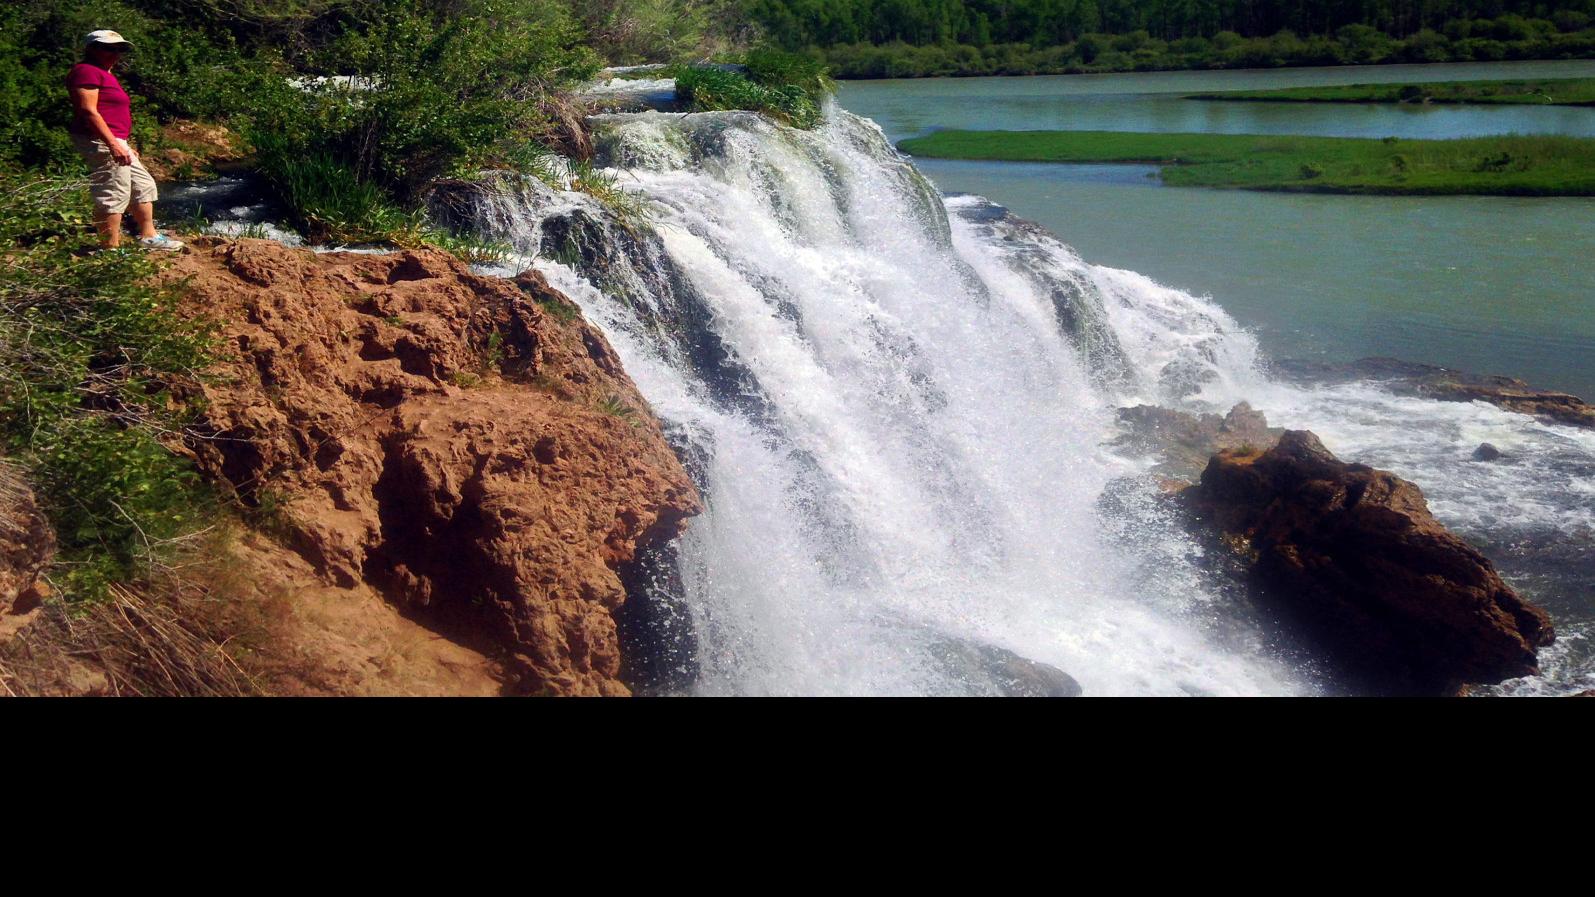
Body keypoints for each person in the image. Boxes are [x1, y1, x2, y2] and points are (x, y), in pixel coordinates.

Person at [67, 30, 183, 251]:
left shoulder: (104, 73)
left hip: (115, 139)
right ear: (91, 48)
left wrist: (123, 143)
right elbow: (88, 111)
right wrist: (113, 144)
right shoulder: (86, 71)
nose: (115, 53)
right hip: (100, 139)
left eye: (119, 49)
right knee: (113, 191)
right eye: (108, 48)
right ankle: (110, 249)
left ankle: (149, 237)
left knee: (143, 185)